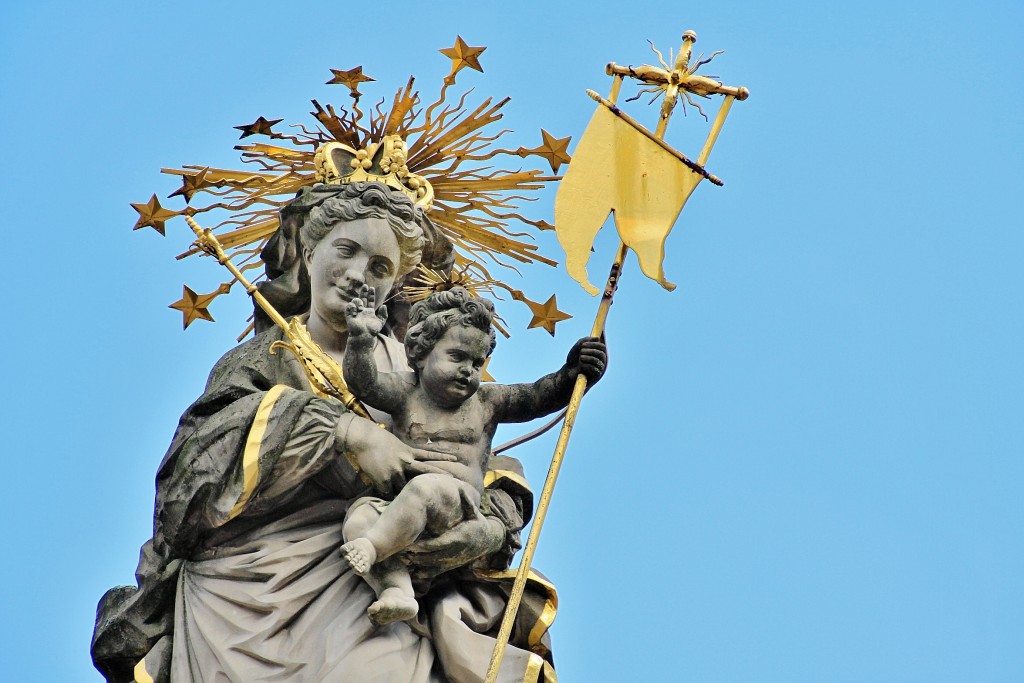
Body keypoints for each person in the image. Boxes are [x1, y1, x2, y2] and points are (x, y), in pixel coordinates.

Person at [92, 182, 560, 683]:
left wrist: (484, 525)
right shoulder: (264, 359)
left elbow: (478, 456)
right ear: (311, 253)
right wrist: (344, 432)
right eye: (346, 250)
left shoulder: (419, 373)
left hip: (376, 590)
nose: (360, 274)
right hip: (244, 592)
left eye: (381, 267)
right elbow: (186, 489)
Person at [339, 286, 606, 627]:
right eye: (456, 357)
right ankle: (397, 591)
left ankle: (373, 548)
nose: (468, 370)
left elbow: (538, 396)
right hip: (399, 504)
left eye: (477, 362)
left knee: (425, 491)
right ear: (421, 353)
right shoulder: (406, 392)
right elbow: (364, 383)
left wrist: (573, 372)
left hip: (457, 501)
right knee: (359, 517)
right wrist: (360, 341)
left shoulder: (486, 402)